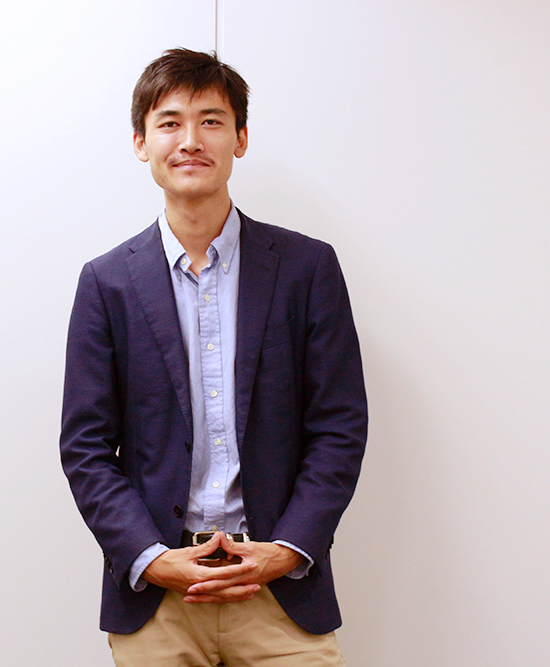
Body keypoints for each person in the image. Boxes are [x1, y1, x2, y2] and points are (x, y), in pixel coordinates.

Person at [60, 48, 367, 666]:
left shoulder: (307, 268)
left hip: (281, 593)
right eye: (169, 122)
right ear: (142, 143)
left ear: (240, 139)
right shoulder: (106, 282)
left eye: (211, 121)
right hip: (159, 598)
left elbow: (338, 427)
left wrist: (289, 548)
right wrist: (151, 558)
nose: (190, 140)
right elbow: (85, 447)